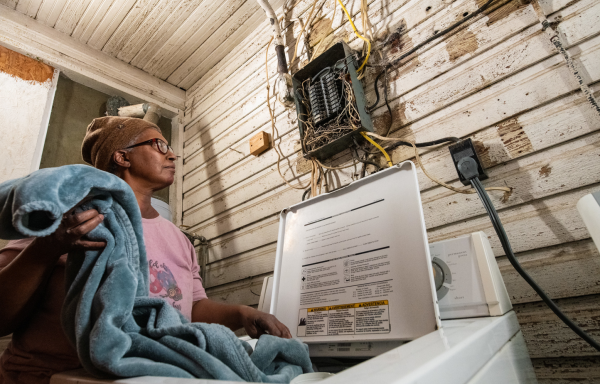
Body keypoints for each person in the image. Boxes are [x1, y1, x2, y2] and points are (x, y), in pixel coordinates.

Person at [0, 117, 291, 384]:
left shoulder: (179, 239)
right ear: (122, 156)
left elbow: (190, 307)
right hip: (47, 376)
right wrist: (46, 247)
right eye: (160, 145)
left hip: (144, 374)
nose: (172, 154)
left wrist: (241, 313)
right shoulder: (70, 215)